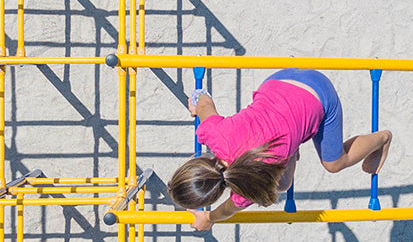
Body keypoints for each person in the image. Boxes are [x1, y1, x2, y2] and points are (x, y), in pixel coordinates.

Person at [166, 68, 392, 231]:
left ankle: (382, 138)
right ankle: (291, 144)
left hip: (318, 93)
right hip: (279, 81)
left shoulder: (248, 188)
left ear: (216, 193)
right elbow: (204, 101)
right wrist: (196, 100)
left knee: (334, 163)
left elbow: (227, 210)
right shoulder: (213, 133)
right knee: (282, 182)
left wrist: (210, 218)